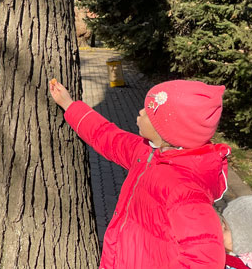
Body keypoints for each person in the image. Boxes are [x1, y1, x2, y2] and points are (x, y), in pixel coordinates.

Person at [49, 78, 231, 268]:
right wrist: (69, 105)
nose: (141, 112)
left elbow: (205, 259)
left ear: (167, 132)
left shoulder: (186, 190)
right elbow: (106, 136)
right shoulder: (146, 153)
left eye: (150, 113)